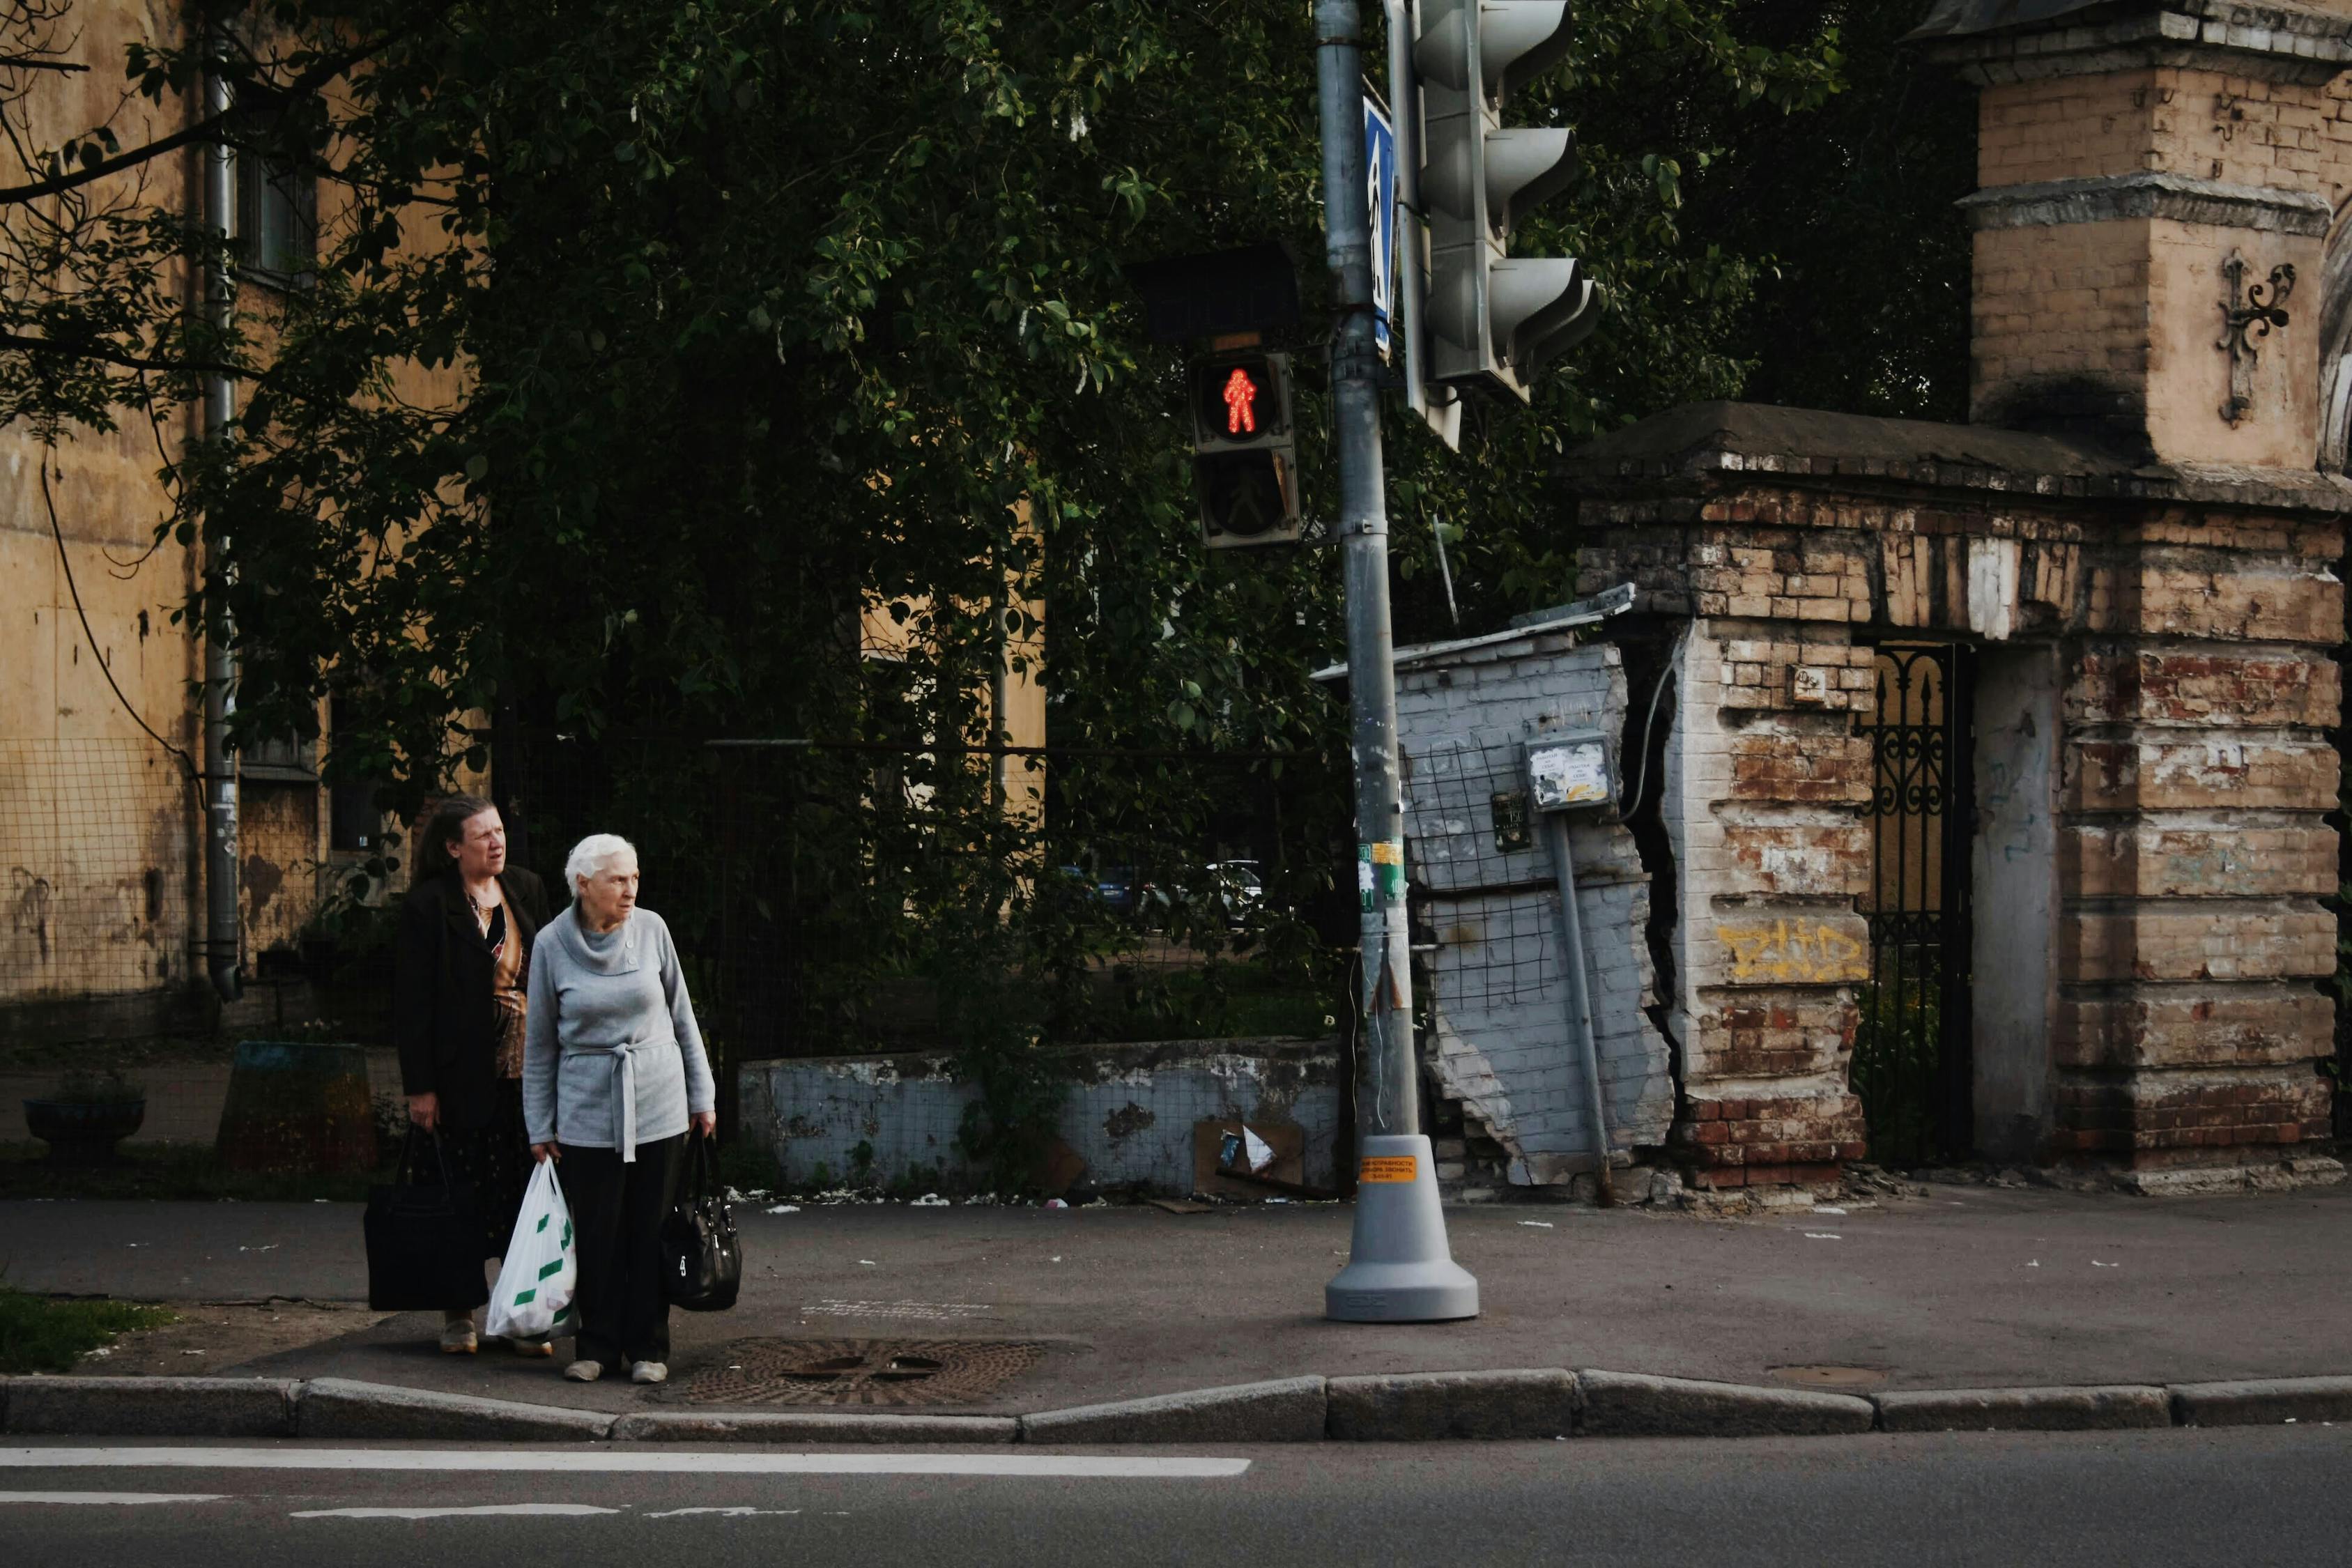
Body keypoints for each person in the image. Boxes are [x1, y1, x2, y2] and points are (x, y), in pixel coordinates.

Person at [523, 833, 716, 1384]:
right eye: (617, 879)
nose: (630, 889)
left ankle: (649, 1348)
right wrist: (539, 1123)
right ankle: (597, 1347)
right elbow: (538, 1045)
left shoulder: (653, 929)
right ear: (583, 884)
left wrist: (702, 1097)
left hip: (658, 1104)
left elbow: (683, 1018)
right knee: (598, 1233)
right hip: (586, 1110)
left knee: (650, 1230)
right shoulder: (550, 944)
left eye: (634, 877)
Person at [390, 794, 553, 1355]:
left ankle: (522, 1315)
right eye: (482, 835)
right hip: (461, 1076)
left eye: (499, 831)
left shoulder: (526, 889)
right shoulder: (428, 905)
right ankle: (457, 1316)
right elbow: (413, 1005)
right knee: (457, 1196)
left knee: (521, 1195)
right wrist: (421, 1088)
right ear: (453, 847)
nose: (496, 842)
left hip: (526, 1070)